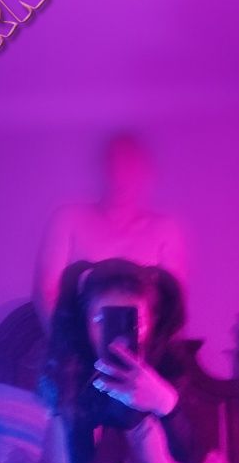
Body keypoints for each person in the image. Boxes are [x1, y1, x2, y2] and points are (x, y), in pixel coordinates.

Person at [40, 258, 239, 463]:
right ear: (84, 322)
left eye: (133, 322)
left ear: (152, 321)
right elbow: (75, 449)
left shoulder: (162, 362)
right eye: (101, 319)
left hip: (139, 417)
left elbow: (190, 455)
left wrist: (167, 405)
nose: (115, 334)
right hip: (80, 413)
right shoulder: (72, 363)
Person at [33, 133, 187, 331]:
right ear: (100, 170)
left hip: (143, 341)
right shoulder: (68, 218)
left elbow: (174, 302)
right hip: (78, 338)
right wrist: (67, 343)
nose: (120, 176)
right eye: (113, 165)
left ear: (144, 172)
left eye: (129, 167)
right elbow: (46, 291)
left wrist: (150, 346)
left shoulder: (164, 229)